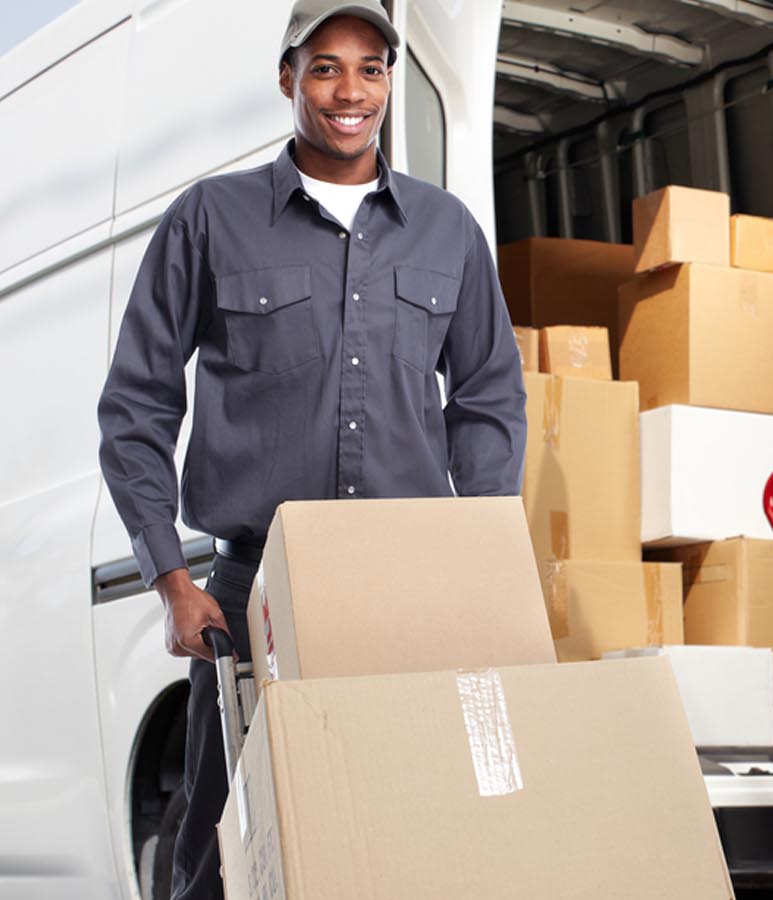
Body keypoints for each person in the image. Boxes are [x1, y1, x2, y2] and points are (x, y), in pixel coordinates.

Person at [96, 1, 526, 896]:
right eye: (325, 67)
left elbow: (487, 396)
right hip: (254, 591)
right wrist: (172, 581)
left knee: (405, 834)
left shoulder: (446, 229)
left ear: (389, 83)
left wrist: (479, 554)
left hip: (407, 585)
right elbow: (137, 403)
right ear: (288, 77)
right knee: (228, 845)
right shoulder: (211, 219)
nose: (350, 91)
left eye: (371, 68)